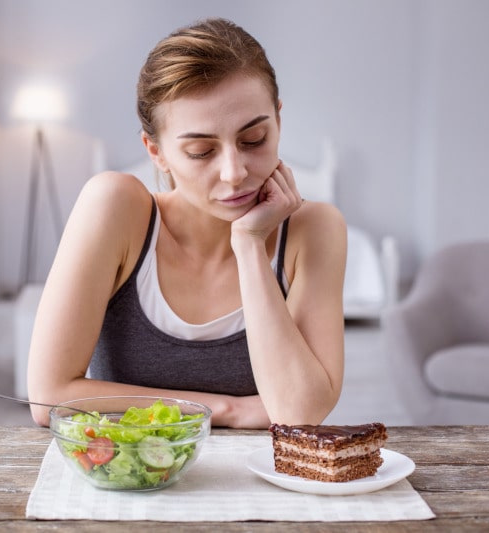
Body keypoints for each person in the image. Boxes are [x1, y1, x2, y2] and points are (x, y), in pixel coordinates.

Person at [27, 17, 347, 429]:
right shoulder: (117, 208)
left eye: (254, 140)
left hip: (261, 486)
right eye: (200, 151)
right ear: (156, 152)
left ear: (278, 122)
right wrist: (226, 409)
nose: (234, 172)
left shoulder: (314, 230)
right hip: (130, 483)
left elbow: (300, 413)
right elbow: (48, 396)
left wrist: (249, 245)